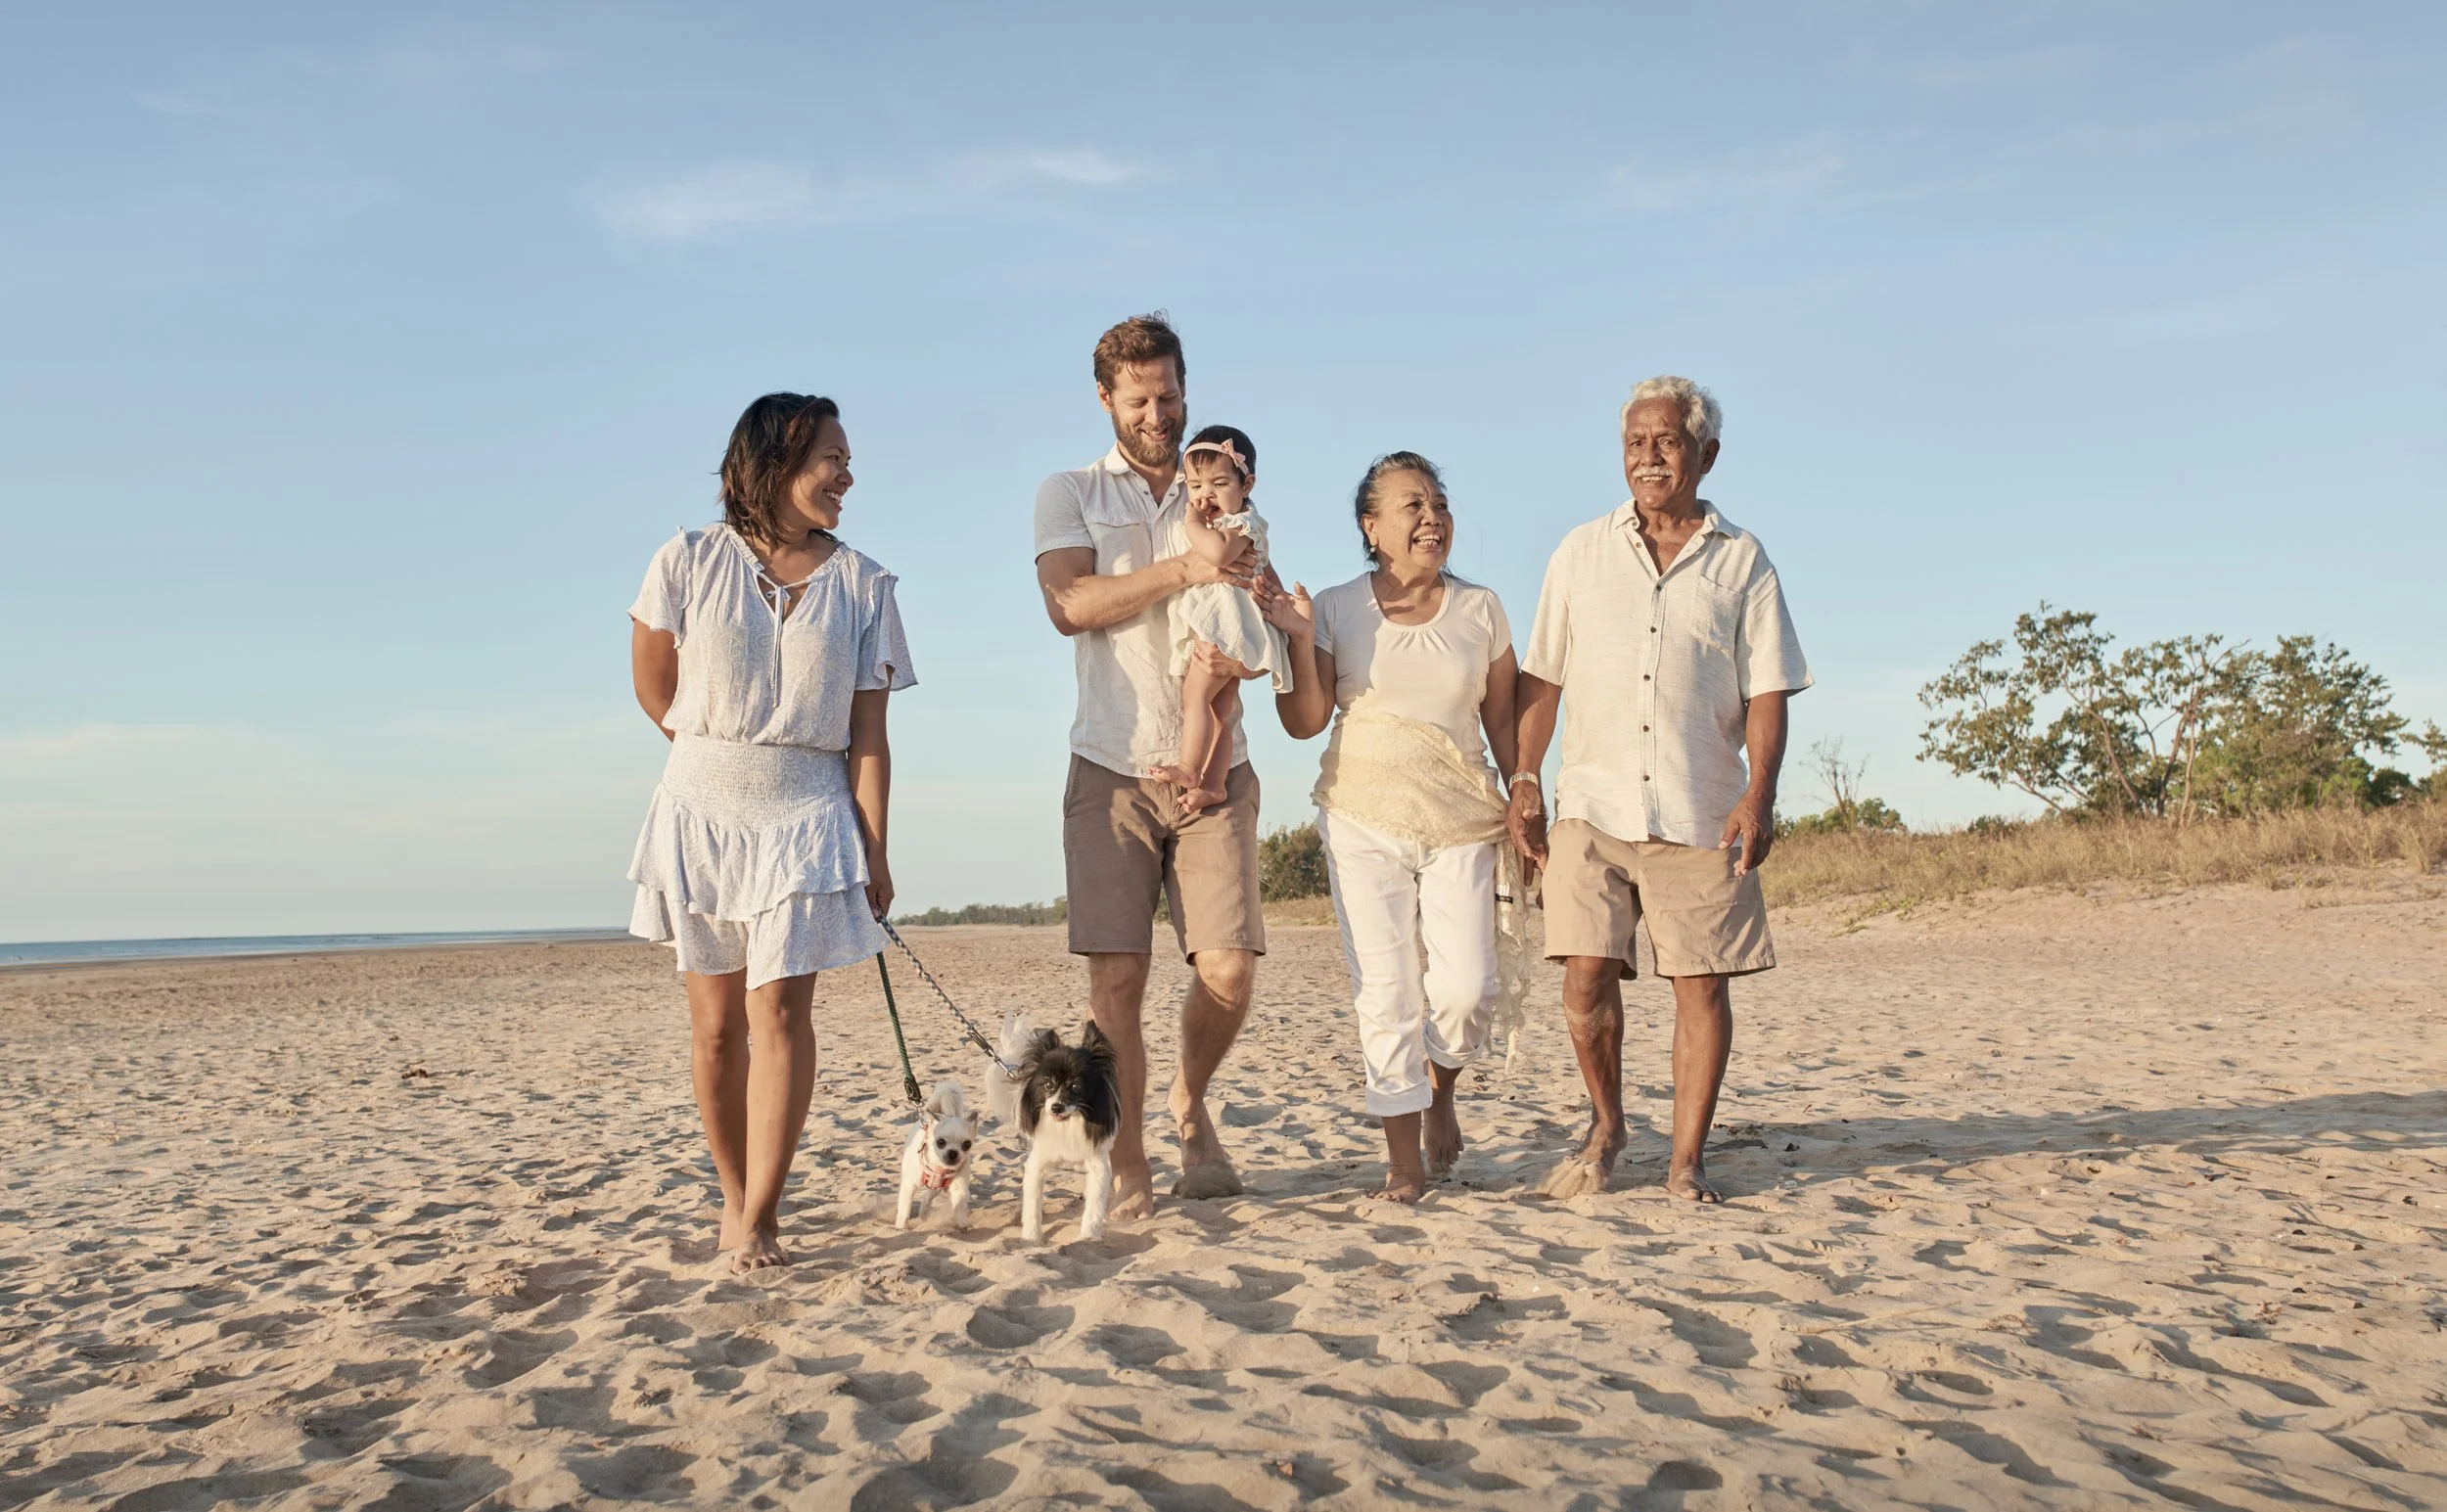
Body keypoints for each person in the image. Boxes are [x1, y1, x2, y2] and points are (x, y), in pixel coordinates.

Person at [627, 393, 915, 1270]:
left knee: (781, 1014)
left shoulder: (865, 583)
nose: (847, 475)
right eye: (833, 457)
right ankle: (729, 1190)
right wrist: (720, 765)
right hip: (701, 809)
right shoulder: (685, 560)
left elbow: (870, 737)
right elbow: (654, 686)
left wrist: (875, 844)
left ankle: (762, 1213)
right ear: (779, 459)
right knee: (716, 1026)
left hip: (808, 811)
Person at [1508, 376, 1810, 1204]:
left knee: (1700, 983)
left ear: (1706, 454)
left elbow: (1769, 690)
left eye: (1667, 442)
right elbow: (1543, 676)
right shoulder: (1579, 551)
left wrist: (1759, 794)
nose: (1649, 457)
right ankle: (1607, 1122)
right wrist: (1526, 777)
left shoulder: (1743, 559)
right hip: (1591, 805)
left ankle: (1686, 1161)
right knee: (1582, 975)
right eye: (1636, 443)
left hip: (1700, 804)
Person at [1032, 313, 1272, 1216]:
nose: (1158, 415)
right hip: (1111, 764)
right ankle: (1128, 1151)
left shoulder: (1227, 485)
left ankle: (1187, 1096)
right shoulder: (1070, 491)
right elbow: (1072, 602)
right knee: (1117, 979)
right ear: (1105, 398)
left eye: (1170, 395)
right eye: (1138, 400)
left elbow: (1252, 611)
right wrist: (1183, 568)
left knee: (1229, 970)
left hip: (1218, 761)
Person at [1270, 452, 1529, 1203]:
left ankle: (1439, 1090)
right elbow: (1304, 722)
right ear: (1371, 526)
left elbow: (1503, 722)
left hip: (1461, 817)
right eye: (1412, 505)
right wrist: (1295, 636)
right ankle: (1404, 1162)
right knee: (1387, 993)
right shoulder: (1336, 606)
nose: (1432, 517)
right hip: (1362, 814)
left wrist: (1524, 795)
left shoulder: (1482, 608)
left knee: (1466, 988)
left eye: (1439, 503)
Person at [1148, 425, 1290, 813]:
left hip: (1226, 629)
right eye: (1194, 486)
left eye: (1218, 483)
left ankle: (1189, 767)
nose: (1203, 495)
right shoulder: (1238, 521)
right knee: (1219, 711)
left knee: (1195, 695)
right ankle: (1213, 784)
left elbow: (1216, 554)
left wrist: (1191, 521)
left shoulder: (1241, 523)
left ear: (1247, 485)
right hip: (1234, 627)